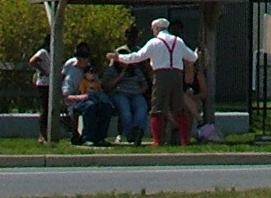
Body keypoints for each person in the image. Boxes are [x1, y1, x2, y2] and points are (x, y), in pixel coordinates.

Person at [113, 17, 198, 146]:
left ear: (156, 29)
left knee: (157, 108)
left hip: (161, 74)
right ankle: (185, 140)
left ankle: (157, 140)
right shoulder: (178, 41)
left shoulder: (154, 42)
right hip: (177, 75)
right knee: (178, 108)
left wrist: (119, 57)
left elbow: (137, 56)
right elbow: (192, 57)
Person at [60, 43, 115, 147]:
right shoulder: (72, 74)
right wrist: (83, 97)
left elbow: (98, 87)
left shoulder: (90, 71)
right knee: (90, 106)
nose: (86, 61)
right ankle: (87, 138)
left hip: (93, 99)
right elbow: (66, 96)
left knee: (106, 106)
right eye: (83, 58)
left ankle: (100, 138)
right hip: (77, 102)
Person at [104, 33, 151, 147]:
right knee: (126, 111)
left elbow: (145, 84)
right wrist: (121, 75)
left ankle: (137, 131)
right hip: (120, 93)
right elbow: (106, 85)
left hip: (135, 93)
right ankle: (130, 133)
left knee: (142, 108)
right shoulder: (112, 70)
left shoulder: (135, 70)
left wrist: (139, 91)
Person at [29, 42, 51, 143]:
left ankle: (48, 133)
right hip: (43, 83)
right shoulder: (43, 52)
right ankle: (42, 135)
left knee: (49, 109)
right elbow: (32, 61)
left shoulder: (52, 54)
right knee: (45, 108)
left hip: (51, 83)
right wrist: (43, 70)